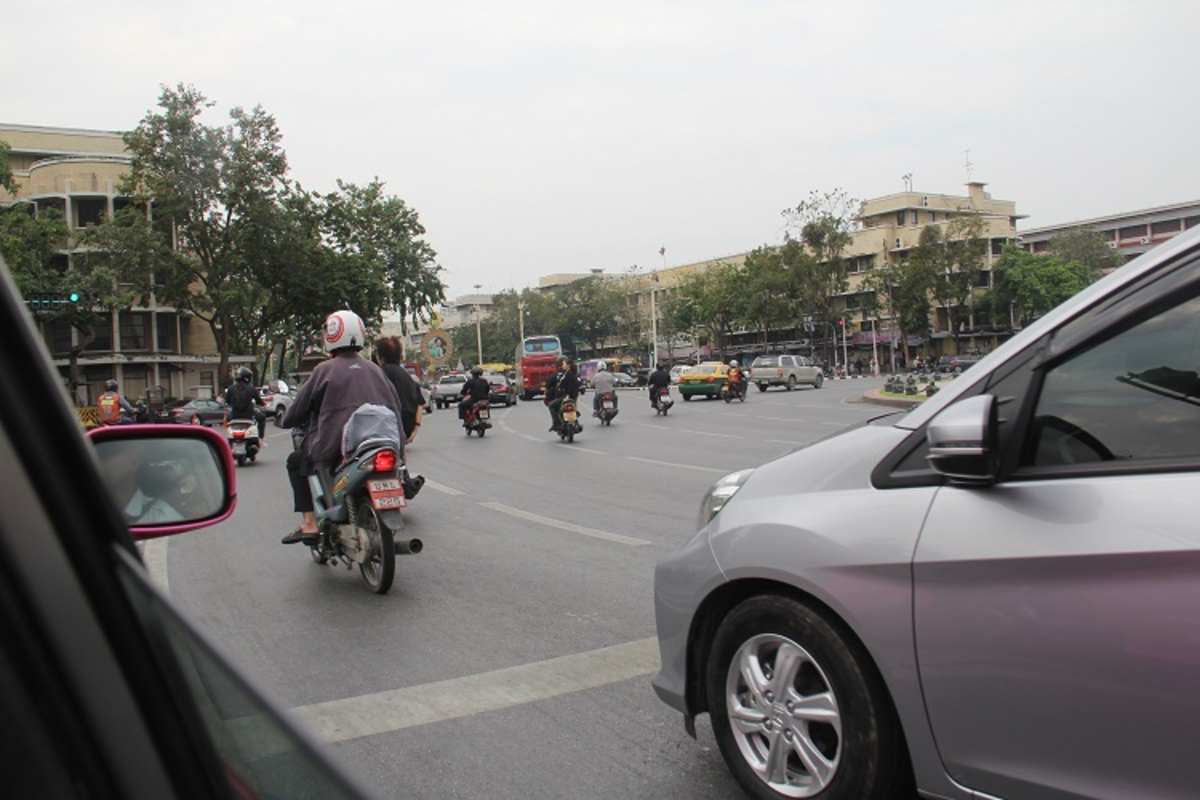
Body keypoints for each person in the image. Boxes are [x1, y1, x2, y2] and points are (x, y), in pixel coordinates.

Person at [278, 310, 405, 546]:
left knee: (296, 461)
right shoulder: (375, 369)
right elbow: (395, 407)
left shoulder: (324, 370)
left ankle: (309, 522)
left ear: (331, 335)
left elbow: (296, 412)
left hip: (334, 446)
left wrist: (284, 419)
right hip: (383, 442)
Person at [374, 336, 425, 442]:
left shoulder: (378, 374)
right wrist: (415, 429)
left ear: (381, 357)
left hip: (384, 429)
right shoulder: (408, 377)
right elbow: (420, 404)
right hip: (406, 429)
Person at [223, 367, 267, 441]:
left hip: (234, 416)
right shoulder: (251, 388)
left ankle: (229, 438)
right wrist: (264, 404)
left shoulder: (230, 388)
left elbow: (227, 402)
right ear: (247, 377)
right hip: (248, 415)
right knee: (262, 417)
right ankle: (260, 438)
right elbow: (259, 401)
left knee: (226, 419)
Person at [546, 358, 580, 432]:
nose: (563, 365)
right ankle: (576, 422)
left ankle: (556, 424)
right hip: (573, 397)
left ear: (568, 365)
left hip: (565, 397)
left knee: (551, 405)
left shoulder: (566, 375)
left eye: (564, 364)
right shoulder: (573, 374)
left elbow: (552, 383)